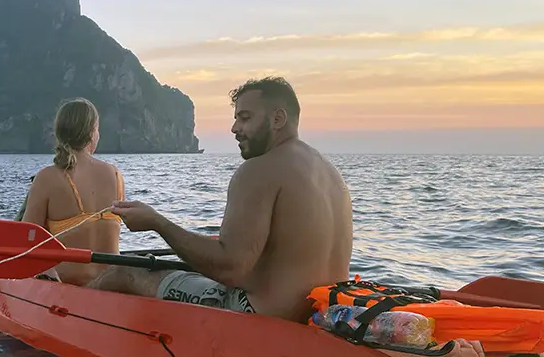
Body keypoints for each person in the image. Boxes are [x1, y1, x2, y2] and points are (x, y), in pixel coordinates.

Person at [87, 76, 353, 322]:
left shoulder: (260, 169)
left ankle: (63, 314)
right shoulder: (330, 173)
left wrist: (157, 223)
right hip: (319, 314)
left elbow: (230, 268)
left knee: (125, 272)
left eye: (245, 118)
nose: (235, 128)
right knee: (180, 271)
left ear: (278, 119)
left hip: (260, 313)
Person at [21, 98, 126, 285]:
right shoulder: (115, 174)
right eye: (98, 130)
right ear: (93, 132)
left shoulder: (46, 178)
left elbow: (26, 242)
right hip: (113, 287)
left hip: (68, 289)